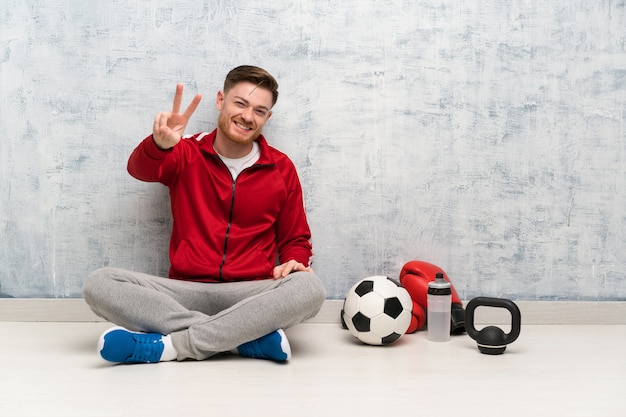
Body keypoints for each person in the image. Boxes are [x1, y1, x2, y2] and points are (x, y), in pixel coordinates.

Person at [83, 65, 326, 364]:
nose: (249, 116)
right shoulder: (186, 153)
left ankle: (170, 346)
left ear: (267, 117)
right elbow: (140, 170)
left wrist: (295, 261)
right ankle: (241, 340)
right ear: (221, 100)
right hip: (183, 291)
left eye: (260, 111)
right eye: (241, 103)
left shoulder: (281, 167)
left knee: (311, 288)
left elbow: (296, 238)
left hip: (251, 295)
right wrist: (159, 145)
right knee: (99, 283)